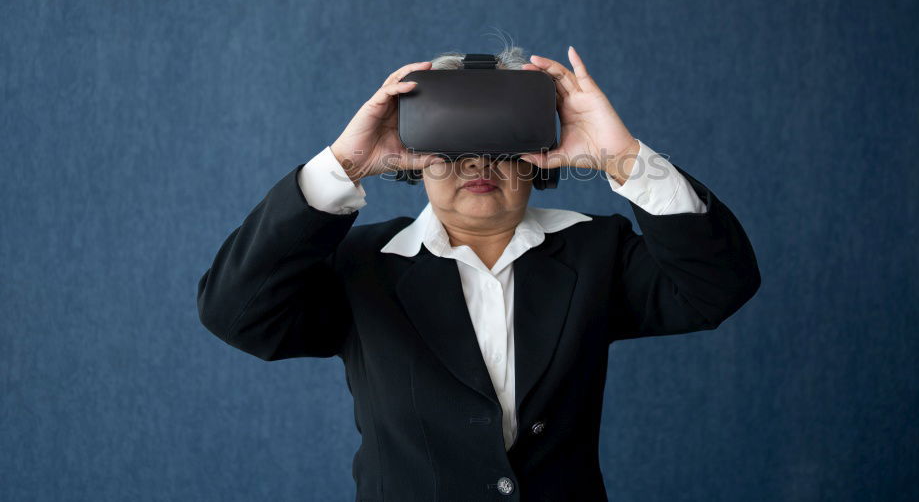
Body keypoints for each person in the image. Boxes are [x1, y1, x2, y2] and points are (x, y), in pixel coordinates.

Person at [197, 46, 761, 501]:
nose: (476, 163)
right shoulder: (362, 265)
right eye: (449, 144)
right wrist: (343, 165)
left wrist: (623, 158)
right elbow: (236, 313)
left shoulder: (595, 252)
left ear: (538, 153)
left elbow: (717, 288)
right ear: (416, 156)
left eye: (500, 140)